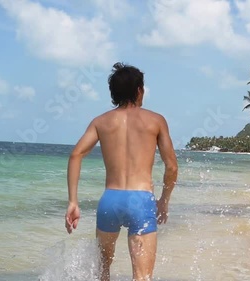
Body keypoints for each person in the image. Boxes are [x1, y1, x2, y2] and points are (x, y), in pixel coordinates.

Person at [65, 62, 178, 281]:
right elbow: (171, 166)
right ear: (139, 90)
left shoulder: (100, 122)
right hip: (142, 200)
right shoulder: (156, 121)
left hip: (110, 201)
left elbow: (75, 155)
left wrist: (73, 202)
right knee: (142, 277)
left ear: (114, 93)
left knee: (103, 272)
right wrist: (164, 200)